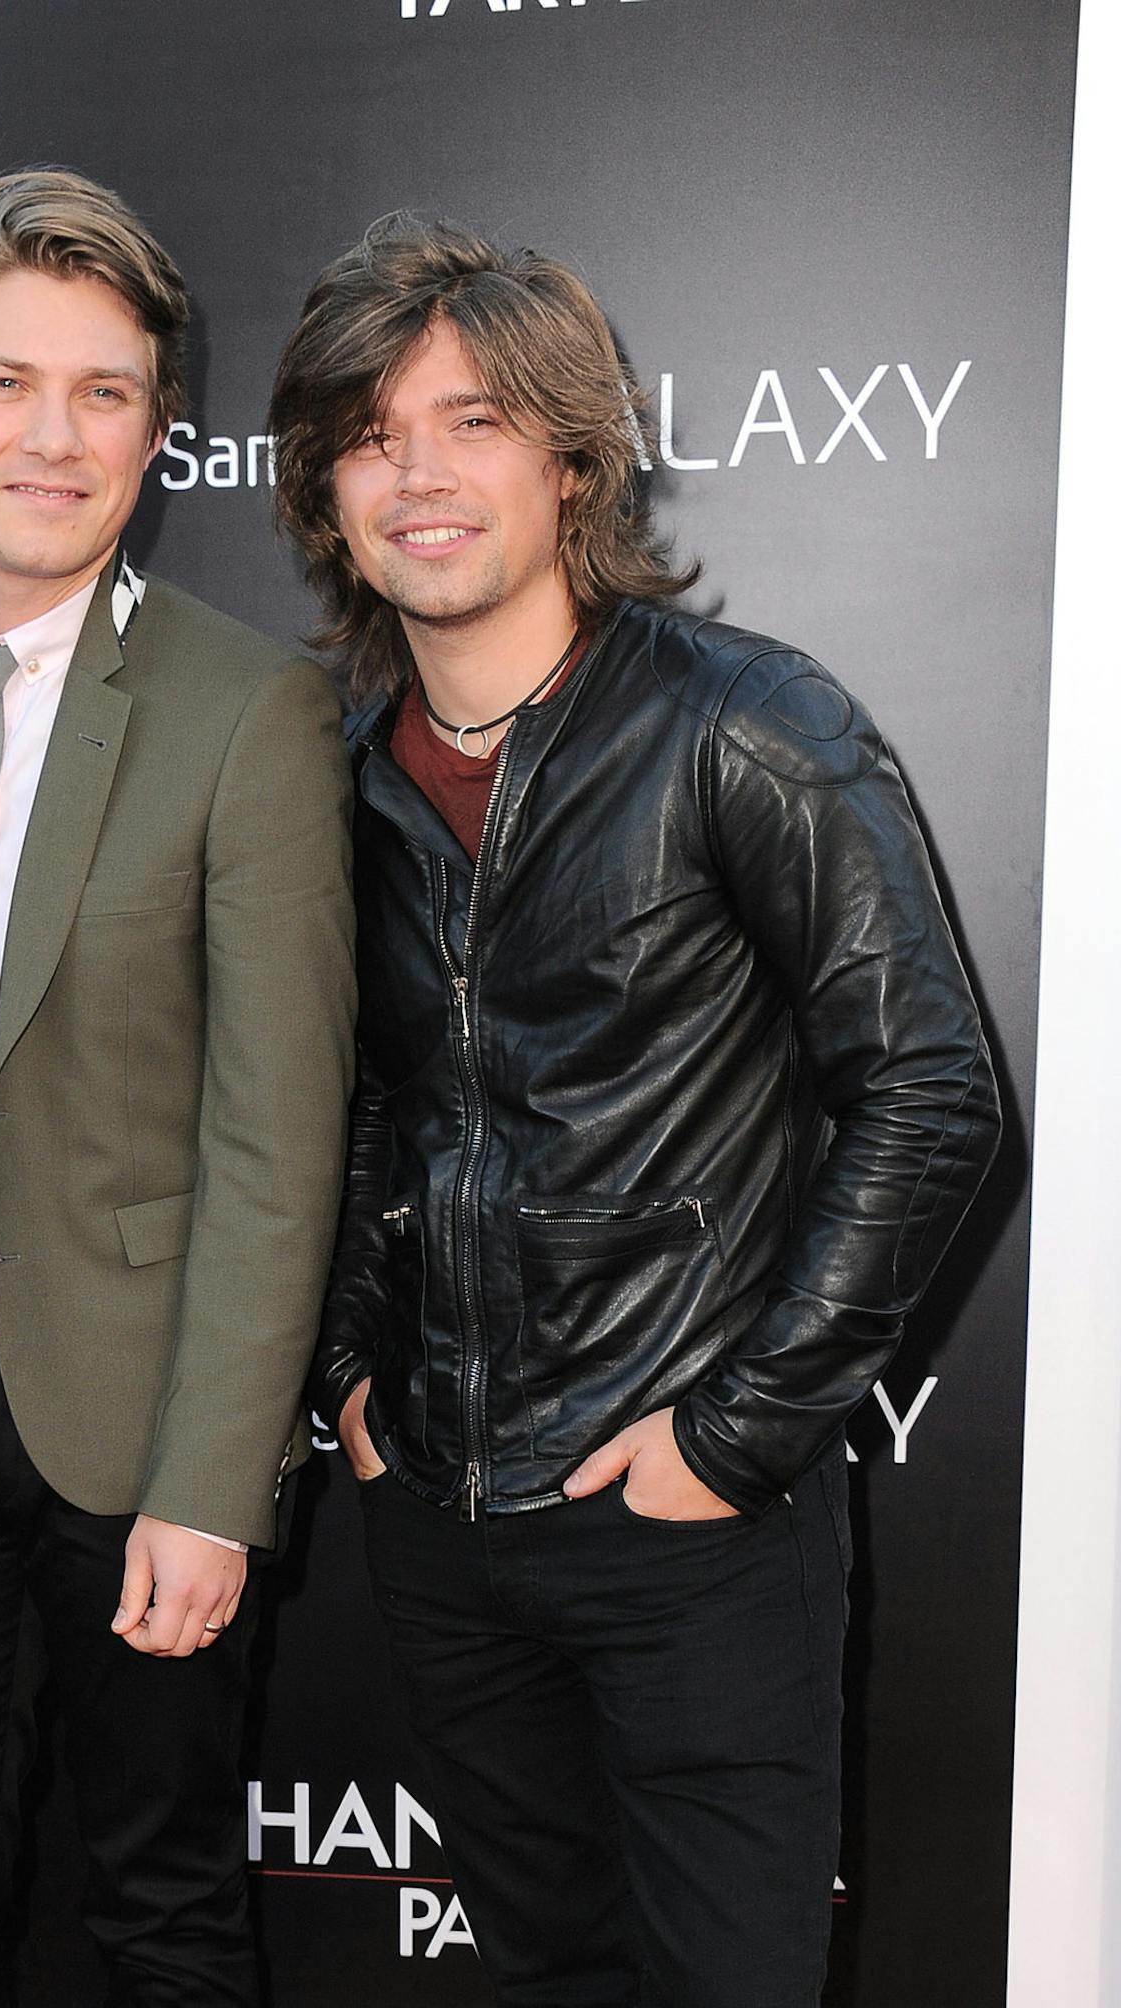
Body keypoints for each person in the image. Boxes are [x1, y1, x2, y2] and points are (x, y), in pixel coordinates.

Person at [269, 216, 1001, 2007]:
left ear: (576, 458)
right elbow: (365, 1102)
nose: (418, 475)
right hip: (441, 1521)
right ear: (324, 490)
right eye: (371, 435)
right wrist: (358, 1379)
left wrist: (737, 1438)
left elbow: (932, 1091)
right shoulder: (336, 777)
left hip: (690, 1533)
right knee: (542, 1977)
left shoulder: (744, 728)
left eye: (473, 423)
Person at [0, 167, 354, 2005]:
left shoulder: (246, 706)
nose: (56, 436)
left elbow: (279, 1139)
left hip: (139, 1417)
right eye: (8, 382)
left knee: (163, 1908)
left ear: (156, 431)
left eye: (106, 392)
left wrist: (213, 1485)